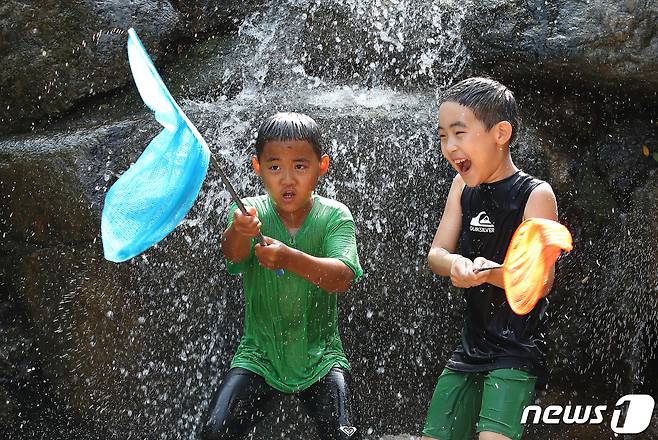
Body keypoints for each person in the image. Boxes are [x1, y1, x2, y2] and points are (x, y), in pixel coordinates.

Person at [202, 112, 363, 440]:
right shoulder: (251, 214)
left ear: (322, 166)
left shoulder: (334, 216)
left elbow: (342, 277)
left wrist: (289, 258)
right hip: (259, 356)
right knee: (216, 432)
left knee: (346, 434)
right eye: (275, 167)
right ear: (257, 168)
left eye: (300, 166)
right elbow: (232, 255)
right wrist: (237, 230)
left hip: (320, 357)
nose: (287, 179)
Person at [422, 77, 559, 440]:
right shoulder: (461, 188)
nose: (449, 147)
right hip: (470, 347)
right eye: (442, 136)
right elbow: (436, 254)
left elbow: (542, 282)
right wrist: (455, 264)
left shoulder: (535, 194)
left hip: (517, 350)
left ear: (500, 133)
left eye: (459, 133)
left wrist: (492, 273)